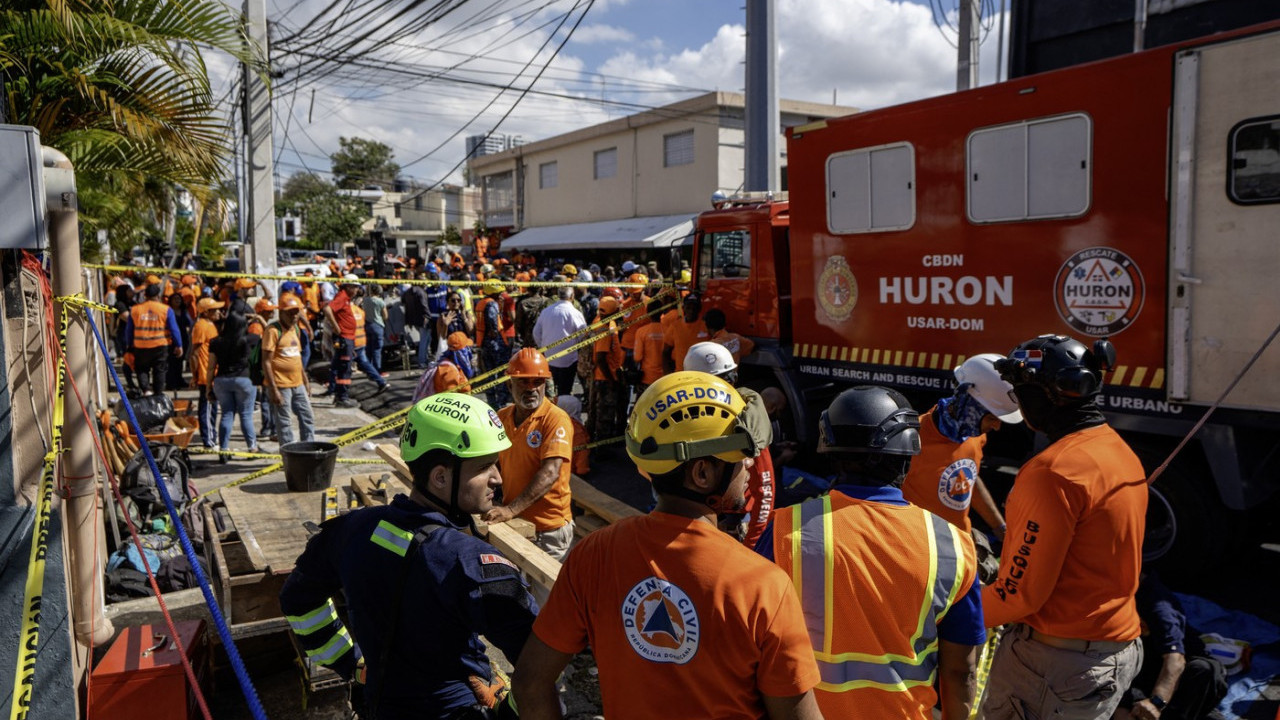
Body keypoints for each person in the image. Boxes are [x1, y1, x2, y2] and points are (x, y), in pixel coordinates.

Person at [513, 372, 823, 720]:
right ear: (702, 473)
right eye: (740, 457)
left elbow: (529, 683)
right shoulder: (763, 585)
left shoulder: (594, 554)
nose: (749, 465)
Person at [279, 393, 536, 720]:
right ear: (440, 477)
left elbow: (297, 600)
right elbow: (541, 661)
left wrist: (351, 664)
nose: (498, 478)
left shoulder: (352, 529)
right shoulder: (473, 564)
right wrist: (507, 714)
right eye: (485, 467)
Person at [756, 385, 985, 719]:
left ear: (830, 450)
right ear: (907, 454)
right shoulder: (952, 545)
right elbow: (961, 670)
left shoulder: (782, 531)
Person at [981, 334, 1147, 720]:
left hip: (1056, 667)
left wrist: (940, 614)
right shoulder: (1117, 450)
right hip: (1110, 654)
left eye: (1020, 392)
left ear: (1044, 396)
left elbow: (1017, 596)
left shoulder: (1053, 472)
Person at [899, 353, 1020, 540]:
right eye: (992, 418)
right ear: (968, 403)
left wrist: (999, 527)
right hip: (922, 551)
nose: (996, 427)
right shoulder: (910, 440)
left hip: (959, 547)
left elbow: (966, 479)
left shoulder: (975, 436)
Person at [483, 348, 576, 565]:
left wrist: (510, 509)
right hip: (514, 522)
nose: (531, 388)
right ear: (509, 385)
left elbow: (551, 472)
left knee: (544, 598)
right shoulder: (502, 417)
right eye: (524, 382)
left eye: (537, 382)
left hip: (548, 529)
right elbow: (489, 462)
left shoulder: (555, 420)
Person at [682, 341, 776, 548]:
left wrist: (753, 543)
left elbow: (764, 489)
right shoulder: (684, 419)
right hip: (700, 520)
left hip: (733, 521)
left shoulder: (745, 422)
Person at [1115, 572, 1228, 720]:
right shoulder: (1112, 595)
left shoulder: (1159, 606)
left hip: (1176, 680)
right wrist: (1121, 707)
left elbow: (1175, 661)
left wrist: (1156, 704)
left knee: (1204, 669)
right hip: (1140, 670)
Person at [325, 275, 387, 408]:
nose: (356, 290)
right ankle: (342, 397)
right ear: (348, 286)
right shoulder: (342, 297)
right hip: (345, 338)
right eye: (355, 287)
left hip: (349, 340)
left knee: (338, 366)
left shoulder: (346, 299)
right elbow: (327, 309)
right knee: (345, 369)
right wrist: (336, 327)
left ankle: (337, 393)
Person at [206, 312, 260, 460]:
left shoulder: (216, 342)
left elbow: (211, 367)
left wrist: (208, 388)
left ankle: (223, 449)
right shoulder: (251, 340)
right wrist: (259, 319)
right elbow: (270, 336)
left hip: (222, 381)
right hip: (245, 380)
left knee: (226, 414)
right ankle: (252, 447)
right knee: (246, 415)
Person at [264, 294, 315, 446]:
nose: (294, 316)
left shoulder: (296, 330)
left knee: (307, 416)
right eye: (290, 313)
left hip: (298, 384)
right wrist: (274, 390)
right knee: (284, 422)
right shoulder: (273, 331)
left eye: (296, 312)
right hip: (281, 385)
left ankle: (308, 449)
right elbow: (266, 361)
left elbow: (296, 359)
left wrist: (305, 382)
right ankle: (288, 455)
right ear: (281, 313)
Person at [125, 282, 183, 395]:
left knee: (141, 369)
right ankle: (158, 393)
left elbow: (129, 331)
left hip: (140, 346)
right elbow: (174, 329)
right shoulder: (166, 309)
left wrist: (129, 345)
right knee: (160, 370)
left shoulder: (135, 309)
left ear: (145, 296)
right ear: (158, 296)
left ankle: (146, 390)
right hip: (160, 346)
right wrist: (179, 345)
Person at [532, 286, 587, 398]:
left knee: (550, 392)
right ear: (572, 296)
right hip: (569, 358)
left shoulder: (546, 311)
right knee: (565, 391)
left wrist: (543, 347)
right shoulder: (575, 313)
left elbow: (536, 332)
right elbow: (583, 334)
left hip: (549, 357)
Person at [588, 295, 625, 443]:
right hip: (605, 378)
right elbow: (601, 358)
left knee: (596, 413)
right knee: (604, 416)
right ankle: (601, 448)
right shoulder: (605, 328)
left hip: (602, 376)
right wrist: (611, 380)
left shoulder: (600, 322)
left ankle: (593, 443)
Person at [189, 298, 222, 450]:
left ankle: (211, 436)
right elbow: (195, 353)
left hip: (211, 373)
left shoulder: (209, 325)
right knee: (207, 408)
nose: (218, 312)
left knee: (212, 408)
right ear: (206, 312)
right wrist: (195, 376)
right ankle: (208, 440)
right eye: (214, 310)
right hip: (205, 374)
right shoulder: (201, 326)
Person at [475, 279, 513, 409]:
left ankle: (491, 401)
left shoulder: (481, 303)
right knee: (501, 371)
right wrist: (494, 332)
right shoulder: (491, 304)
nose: (501, 294)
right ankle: (500, 403)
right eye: (500, 292)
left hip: (484, 342)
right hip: (494, 343)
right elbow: (493, 323)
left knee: (489, 373)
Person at [662, 292, 709, 374]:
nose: (691, 310)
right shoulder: (675, 326)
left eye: (695, 308)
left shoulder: (706, 325)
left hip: (702, 373)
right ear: (683, 308)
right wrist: (667, 374)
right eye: (688, 307)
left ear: (699, 309)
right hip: (681, 373)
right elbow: (666, 352)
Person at [632, 299, 667, 396]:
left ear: (647, 312)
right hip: (665, 377)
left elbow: (637, 357)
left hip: (647, 378)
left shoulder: (641, 331)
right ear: (662, 312)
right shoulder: (669, 329)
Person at [361, 282, 388, 372]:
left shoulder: (365, 300)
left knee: (368, 349)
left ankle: (368, 370)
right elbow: (385, 316)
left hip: (367, 324)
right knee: (377, 349)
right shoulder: (380, 301)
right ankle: (377, 369)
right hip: (377, 325)